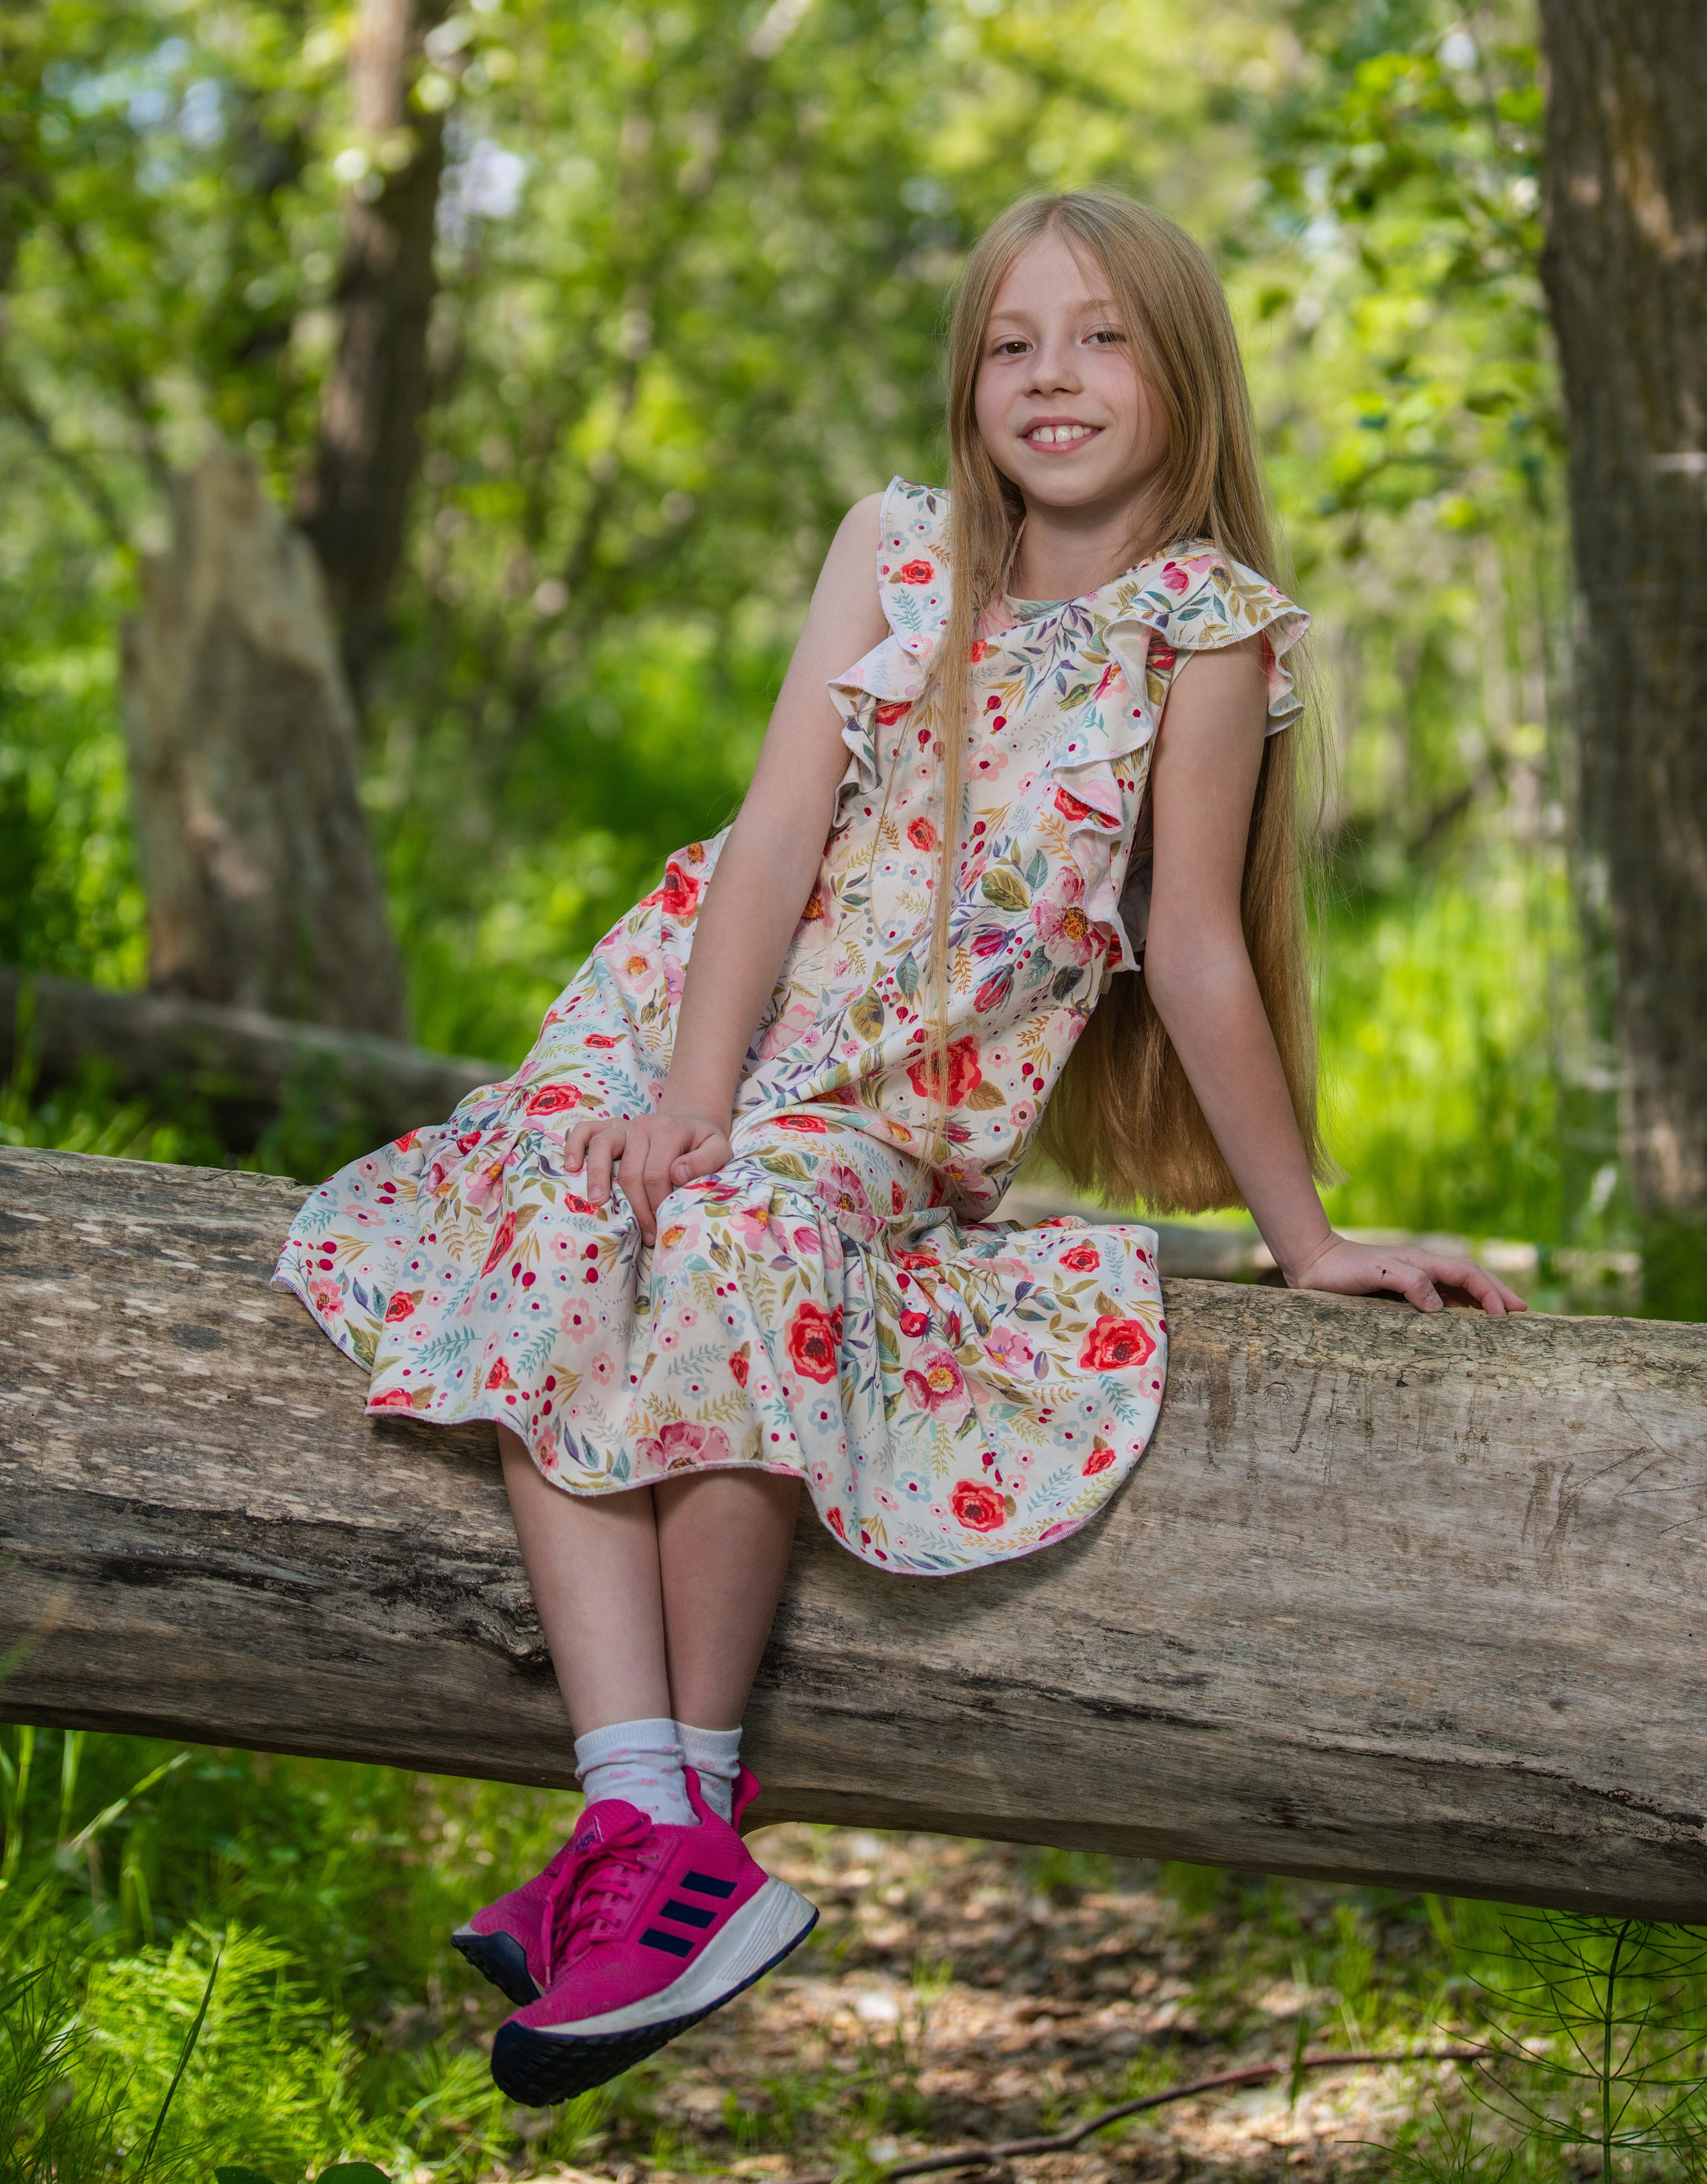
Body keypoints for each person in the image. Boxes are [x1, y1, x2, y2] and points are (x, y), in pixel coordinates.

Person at [275, 189, 1522, 2109]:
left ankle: (658, 1834)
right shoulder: (902, 546)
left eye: (1101, 337)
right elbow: (773, 837)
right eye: (1015, 342)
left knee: (747, 1240)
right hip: (699, 996)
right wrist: (688, 1087)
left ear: (1183, 371)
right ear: (971, 378)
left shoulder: (1204, 629)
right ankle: (652, 1814)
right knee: (567, 1194)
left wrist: (1310, 1235)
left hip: (891, 1092)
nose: (1053, 377)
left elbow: (1190, 941)